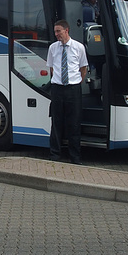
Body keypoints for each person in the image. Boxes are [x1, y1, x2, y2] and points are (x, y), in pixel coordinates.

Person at [46, 20, 88, 164]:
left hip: (73, 89)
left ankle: (75, 157)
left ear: (67, 30)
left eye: (59, 31)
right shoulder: (52, 48)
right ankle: (55, 155)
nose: (56, 34)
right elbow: (51, 68)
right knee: (56, 122)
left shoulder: (79, 47)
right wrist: (59, 80)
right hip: (57, 88)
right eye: (55, 31)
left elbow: (83, 68)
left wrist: (75, 82)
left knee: (74, 123)